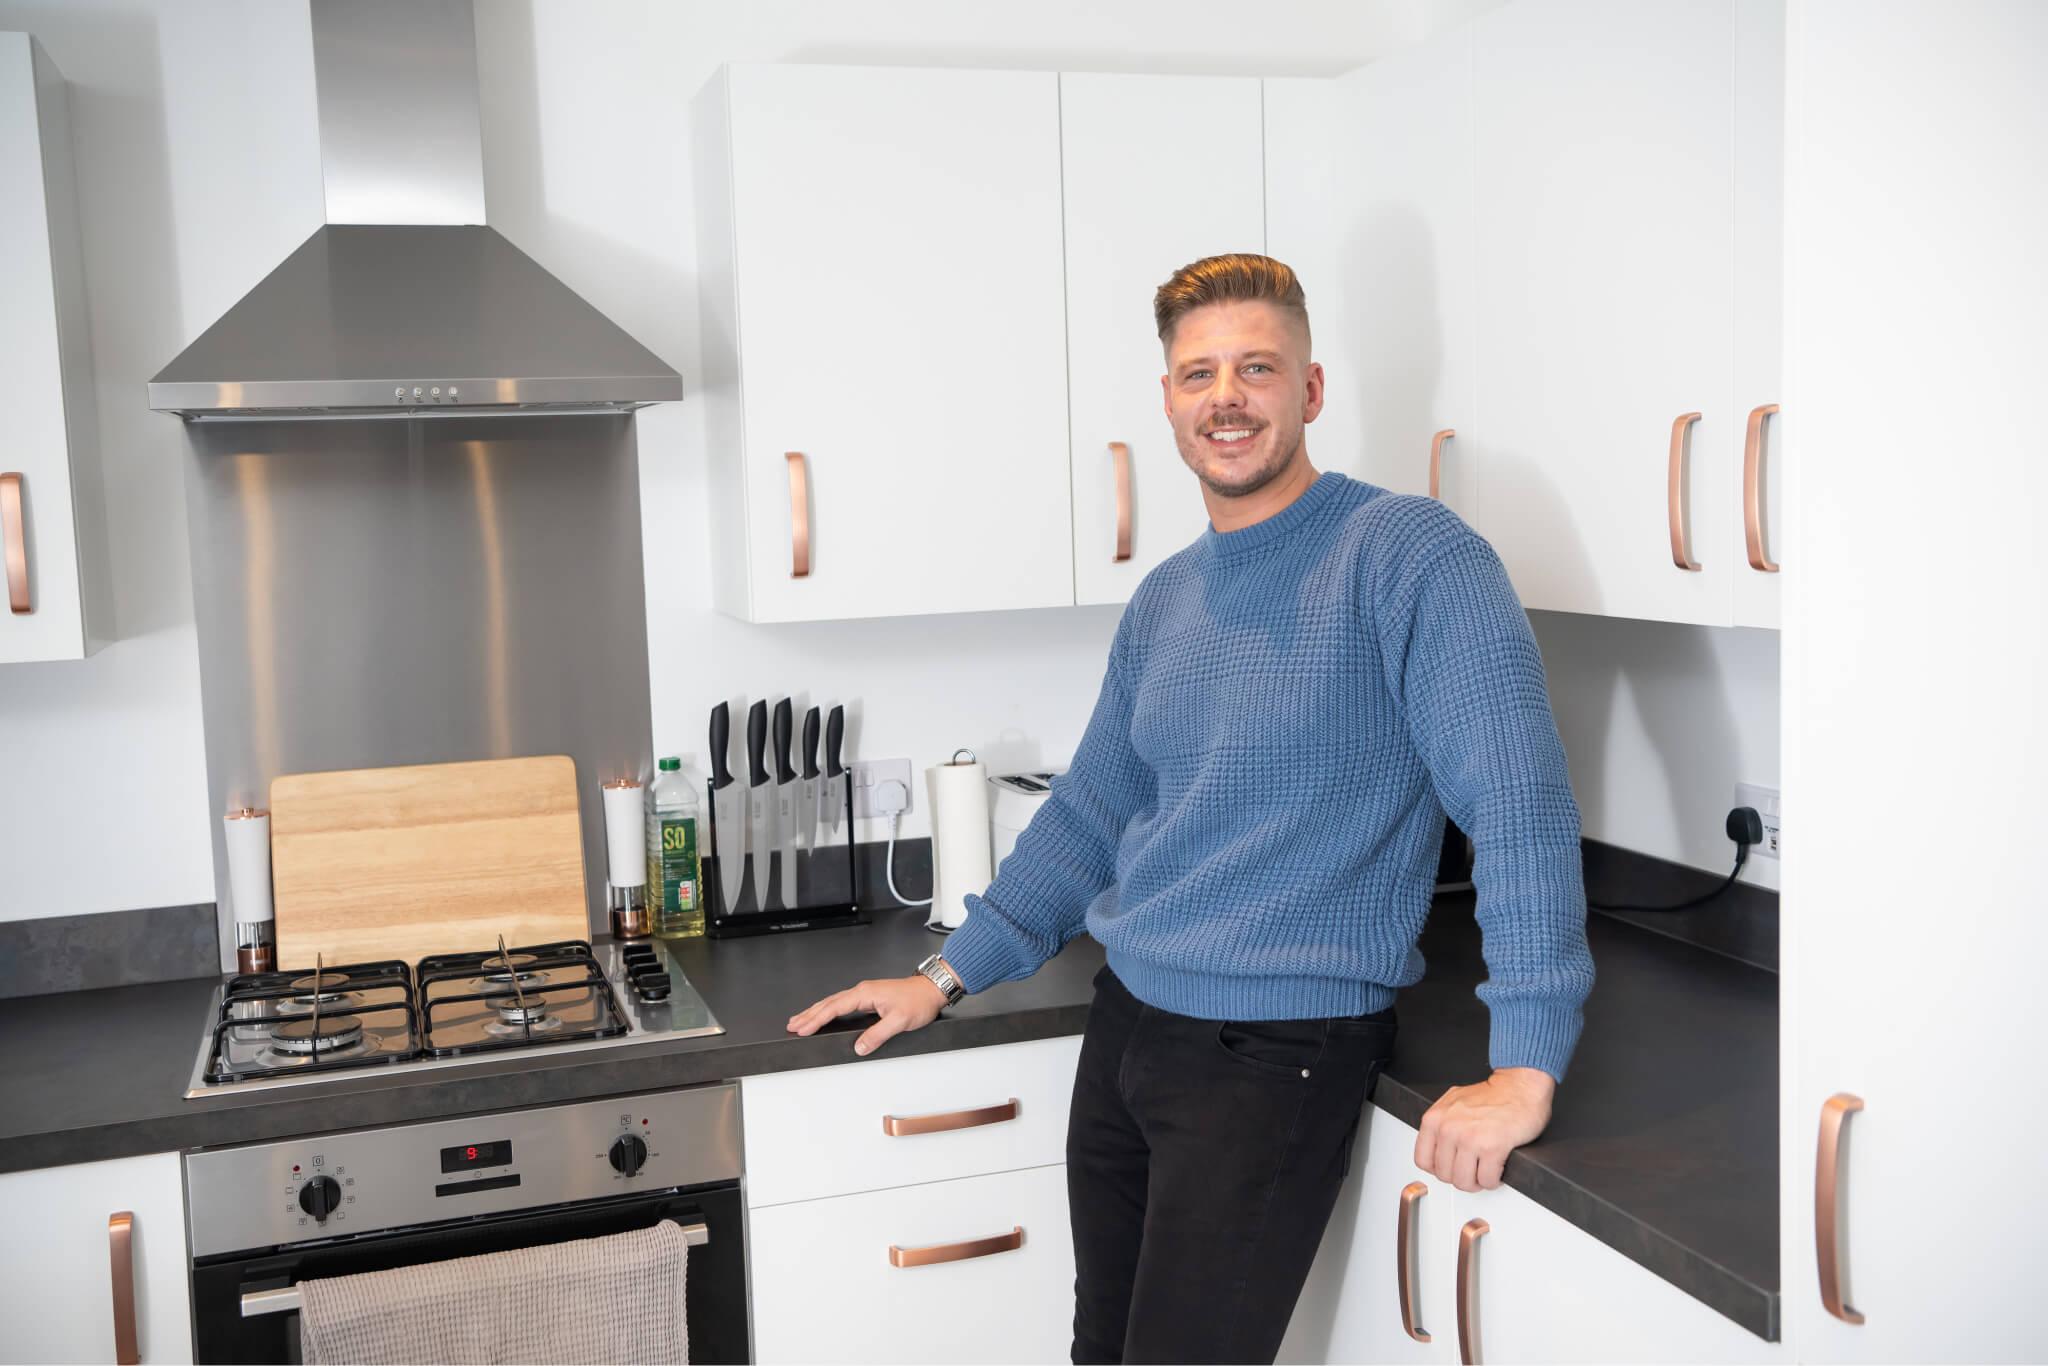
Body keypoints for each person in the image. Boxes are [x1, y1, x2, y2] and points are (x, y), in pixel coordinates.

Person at [787, 253, 1594, 1365]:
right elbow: (1089, 814)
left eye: (1257, 367)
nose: (1226, 396)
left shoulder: (1408, 557)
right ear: (1167, 402)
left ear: (1309, 392)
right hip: (1126, 1035)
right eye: (1197, 372)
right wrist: (943, 974)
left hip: (1274, 1055)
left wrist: (1525, 1063)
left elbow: (1519, 807)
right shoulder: (1167, 596)